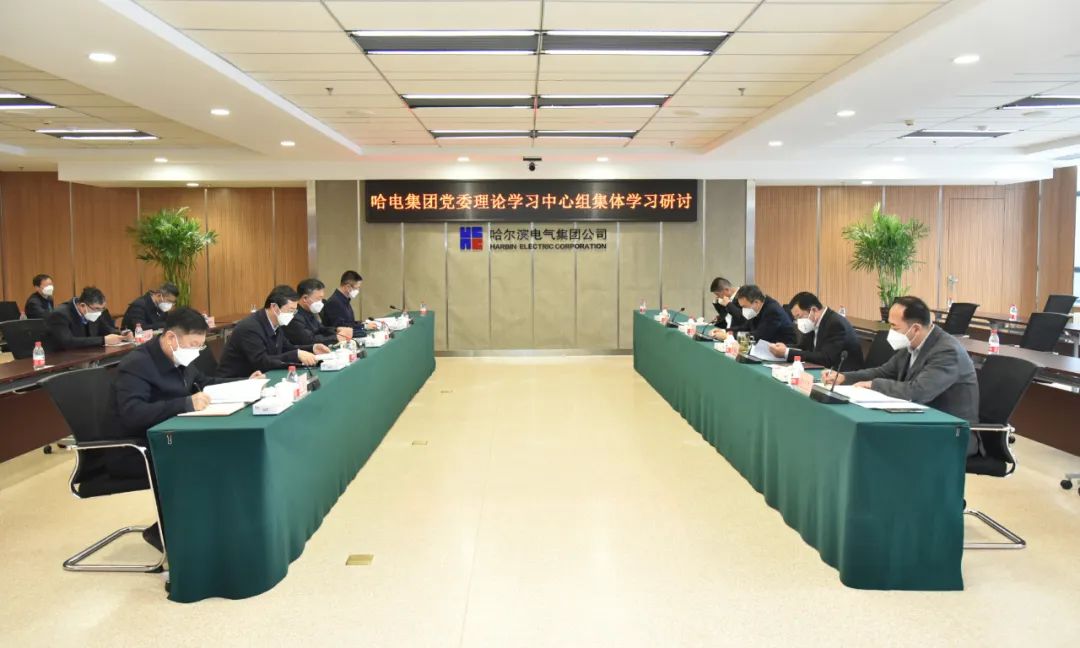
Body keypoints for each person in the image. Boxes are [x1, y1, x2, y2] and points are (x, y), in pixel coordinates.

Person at [109, 307, 263, 551]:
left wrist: (245, 383)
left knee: (231, 451)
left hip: (173, 436)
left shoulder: (179, 358)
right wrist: (185, 403)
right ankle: (169, 533)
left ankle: (212, 528)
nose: (196, 351)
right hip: (138, 447)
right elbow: (132, 414)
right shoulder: (137, 364)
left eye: (200, 346)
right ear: (172, 338)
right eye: (193, 345)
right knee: (211, 460)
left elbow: (205, 383)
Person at [824, 296, 980, 456]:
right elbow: (884, 371)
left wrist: (873, 385)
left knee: (878, 443)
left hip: (953, 433)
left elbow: (918, 392)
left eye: (894, 327)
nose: (890, 332)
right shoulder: (913, 343)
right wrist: (844, 377)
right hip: (921, 422)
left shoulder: (947, 351)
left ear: (915, 329)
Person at [216, 285, 330, 378]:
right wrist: (296, 354)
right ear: (275, 307)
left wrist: (312, 348)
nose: (292, 315)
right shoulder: (249, 327)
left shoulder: (276, 322)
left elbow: (287, 347)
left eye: (294, 311)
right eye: (290, 310)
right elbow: (261, 361)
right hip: (236, 381)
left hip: (261, 377)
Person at [768, 291, 863, 370]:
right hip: (823, 370)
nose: (798, 322)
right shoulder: (812, 323)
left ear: (813, 310)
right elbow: (803, 348)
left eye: (799, 317)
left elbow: (826, 358)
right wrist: (784, 348)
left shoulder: (835, 323)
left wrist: (787, 352)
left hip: (843, 375)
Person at [45, 286, 132, 350]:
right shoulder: (60, 315)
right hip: (61, 358)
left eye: (102, 309)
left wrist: (122, 334)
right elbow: (68, 342)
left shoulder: (93, 311)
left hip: (86, 355)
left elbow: (105, 329)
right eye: (97, 309)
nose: (99, 312)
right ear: (83, 305)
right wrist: (103, 340)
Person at [709, 284, 795, 345]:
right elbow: (745, 327)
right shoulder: (758, 307)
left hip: (782, 350)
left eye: (744, 306)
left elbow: (758, 337)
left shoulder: (772, 311)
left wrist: (728, 337)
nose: (743, 310)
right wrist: (724, 331)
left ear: (756, 302)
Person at [285, 278, 352, 347]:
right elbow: (309, 340)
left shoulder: (309, 311)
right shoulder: (294, 317)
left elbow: (321, 329)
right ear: (305, 298)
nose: (321, 302)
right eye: (318, 299)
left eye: (321, 299)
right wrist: (336, 338)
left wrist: (337, 330)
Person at [321, 270, 378, 338]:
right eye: (357, 288)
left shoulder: (344, 299)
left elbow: (349, 322)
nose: (357, 291)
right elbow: (341, 327)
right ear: (348, 287)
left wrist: (363, 323)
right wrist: (364, 326)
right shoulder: (334, 302)